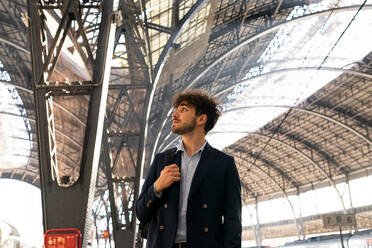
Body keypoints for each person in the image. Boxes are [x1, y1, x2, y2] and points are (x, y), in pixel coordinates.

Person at [136, 89, 242, 248]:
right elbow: (140, 212)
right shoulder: (162, 160)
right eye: (176, 109)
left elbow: (233, 222)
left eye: (183, 109)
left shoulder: (224, 164)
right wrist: (157, 187)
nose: (174, 114)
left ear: (201, 119)